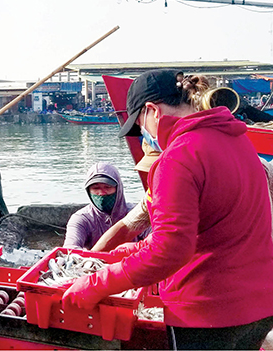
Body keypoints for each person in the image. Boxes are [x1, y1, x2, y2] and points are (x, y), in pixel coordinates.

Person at [62, 70, 273, 350]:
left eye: (140, 125)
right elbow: (216, 223)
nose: (144, 135)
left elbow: (170, 250)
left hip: (208, 312)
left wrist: (97, 284)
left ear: (152, 111)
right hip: (259, 305)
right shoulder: (237, 140)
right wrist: (135, 249)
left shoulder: (178, 158)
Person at [91, 140, 159, 252]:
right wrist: (91, 256)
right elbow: (127, 226)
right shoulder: (153, 195)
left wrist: (136, 248)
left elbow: (167, 242)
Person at [63, 162, 133, 250]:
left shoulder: (135, 213)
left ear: (118, 189)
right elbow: (70, 248)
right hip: (93, 258)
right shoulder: (82, 219)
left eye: (107, 187)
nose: (102, 193)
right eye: (96, 188)